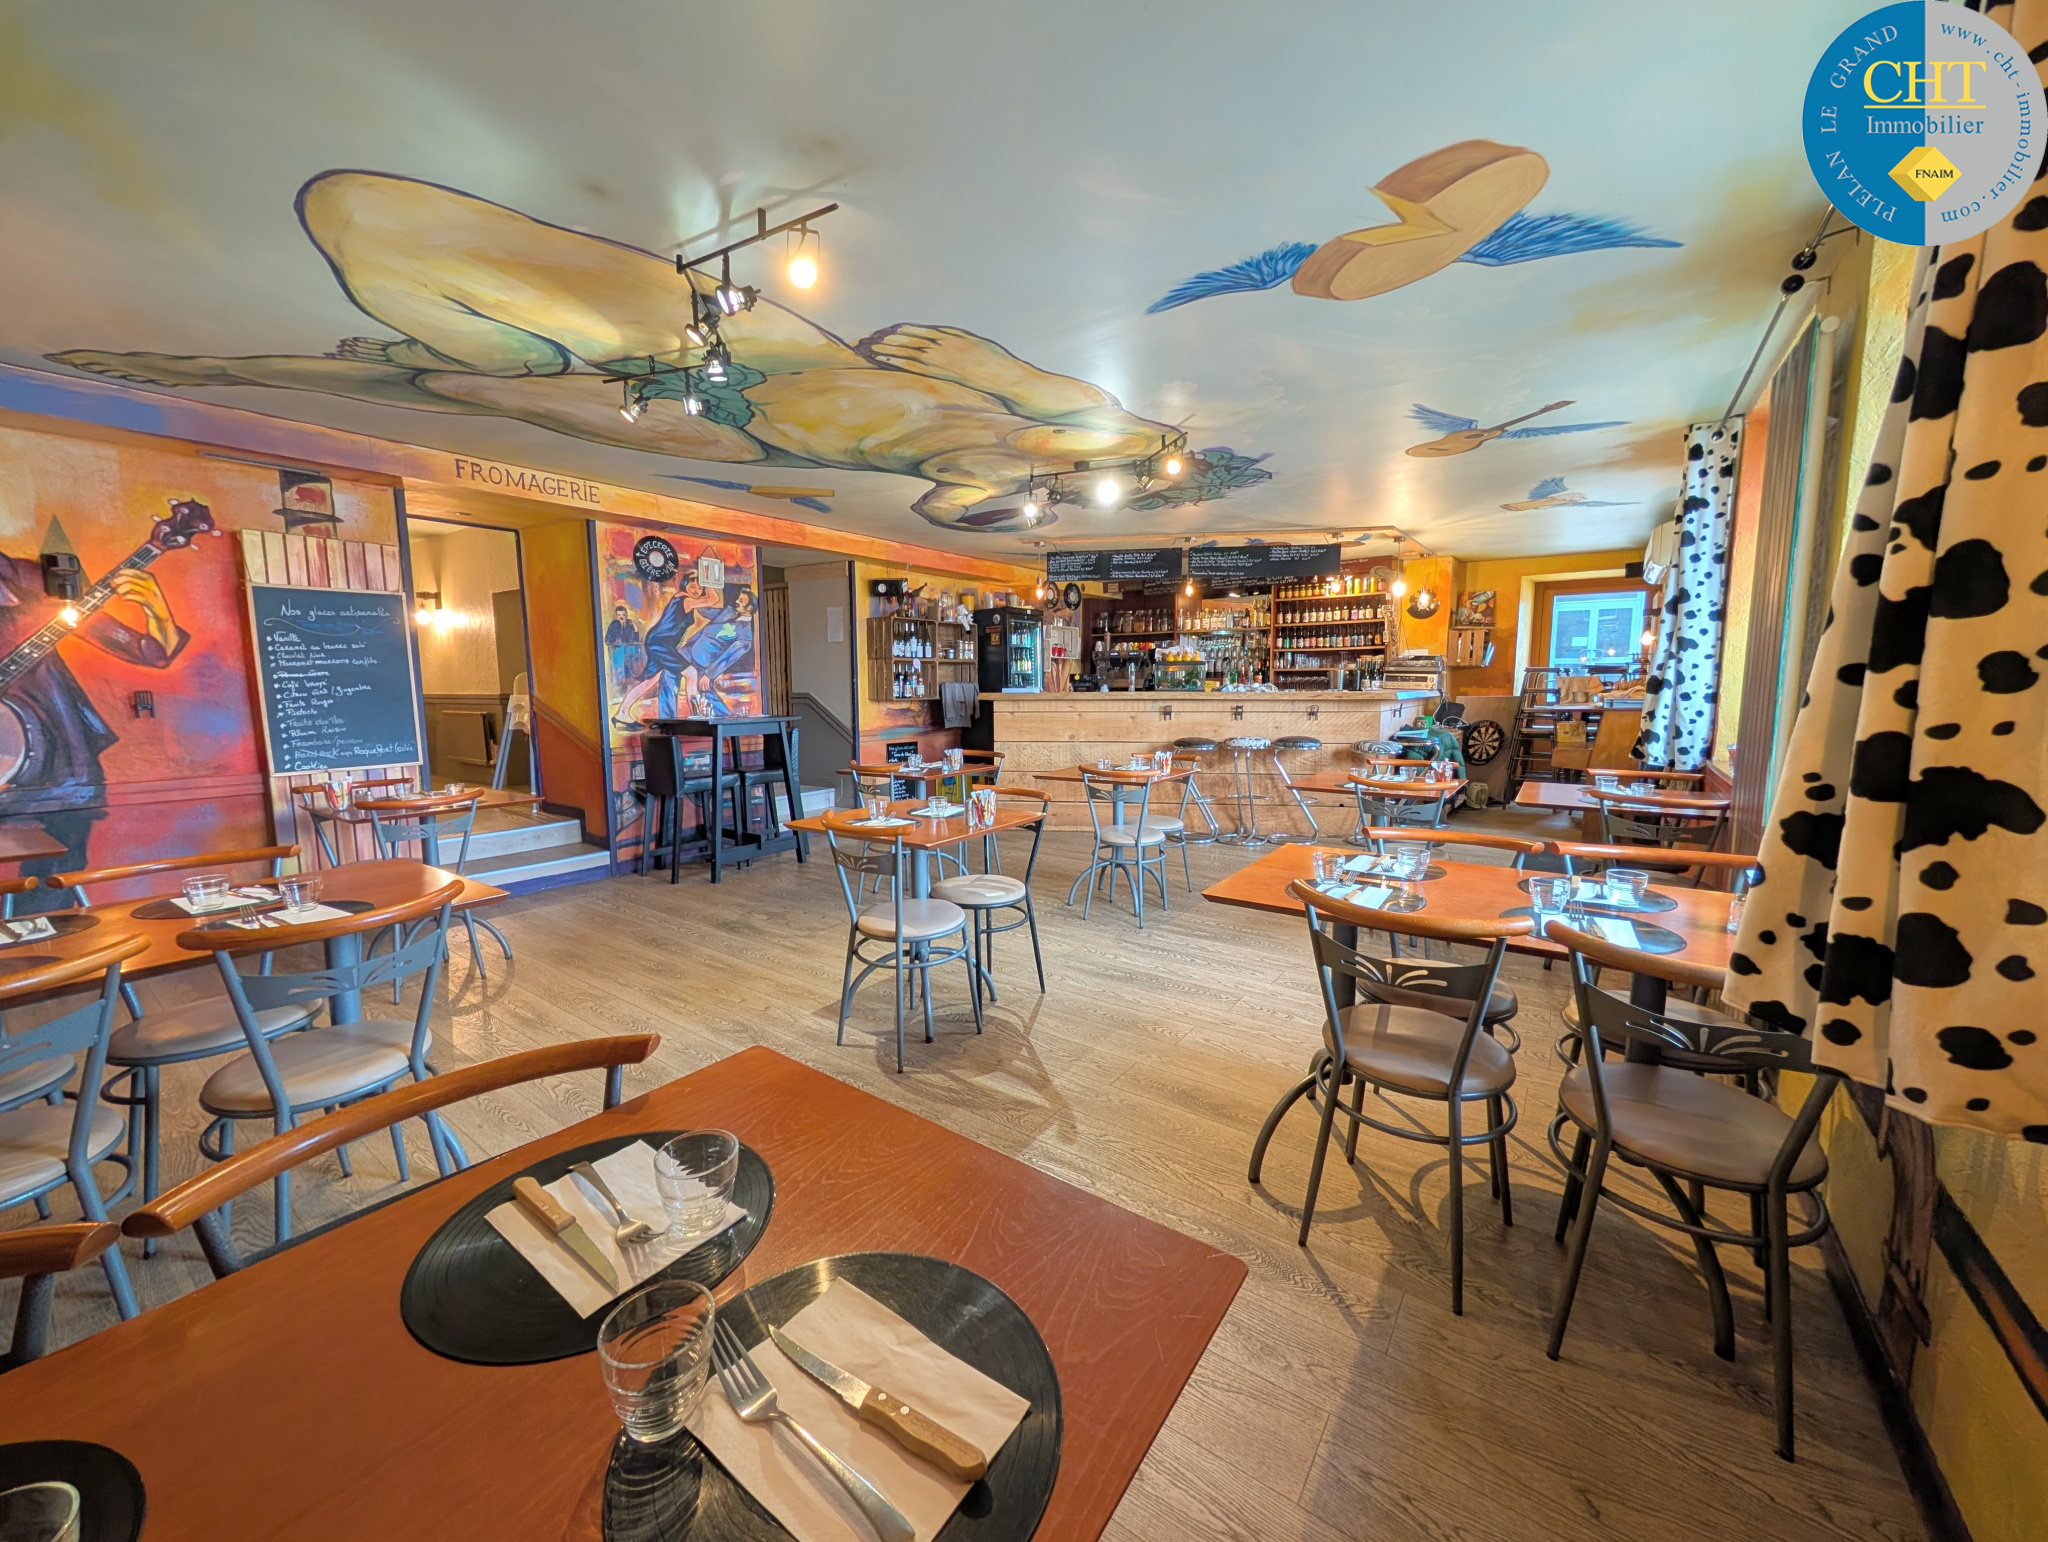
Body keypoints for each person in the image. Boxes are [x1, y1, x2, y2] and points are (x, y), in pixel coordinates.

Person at [52, 170, 1182, 530]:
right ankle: (438, 354)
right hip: (767, 356)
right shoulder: (1097, 425)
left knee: (445, 386)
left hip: (735, 435)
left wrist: (1012, 504)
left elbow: (943, 510)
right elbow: (995, 367)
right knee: (358, 213)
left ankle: (221, 373)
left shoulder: (999, 476)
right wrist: (1042, 419)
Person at [0, 544, 189, 888]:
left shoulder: (31, 581)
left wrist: (158, 611)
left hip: (59, 773)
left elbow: (152, 653)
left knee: (54, 884)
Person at [604, 604, 643, 687]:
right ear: (616, 616)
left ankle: (634, 677)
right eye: (619, 615)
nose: (621, 617)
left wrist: (636, 629)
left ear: (626, 615)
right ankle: (621, 682)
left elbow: (635, 639)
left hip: (629, 652)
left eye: (623, 615)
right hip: (618, 651)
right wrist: (615, 640)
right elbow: (607, 639)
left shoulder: (630, 623)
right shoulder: (614, 625)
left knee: (636, 653)